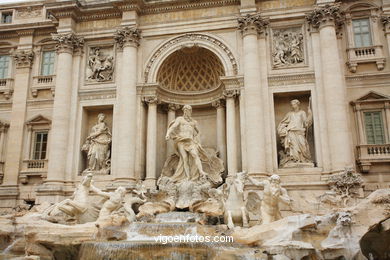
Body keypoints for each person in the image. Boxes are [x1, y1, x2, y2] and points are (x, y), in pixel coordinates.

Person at [165, 105, 209, 182]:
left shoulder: (193, 122)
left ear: (190, 111)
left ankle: (201, 171)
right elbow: (173, 127)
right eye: (185, 110)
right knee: (184, 158)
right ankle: (188, 176)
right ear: (183, 111)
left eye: (188, 110)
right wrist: (168, 134)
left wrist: (196, 140)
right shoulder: (180, 119)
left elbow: (198, 132)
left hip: (190, 141)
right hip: (181, 141)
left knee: (195, 155)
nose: (186, 111)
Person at [277, 99, 313, 167]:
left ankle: (303, 159)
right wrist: (282, 129)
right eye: (292, 105)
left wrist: (310, 114)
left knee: (303, 145)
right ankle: (294, 160)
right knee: (293, 147)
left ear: (297, 104)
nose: (292, 106)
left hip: (300, 132)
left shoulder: (302, 113)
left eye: (294, 104)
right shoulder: (289, 114)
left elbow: (306, 123)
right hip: (291, 132)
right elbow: (283, 122)